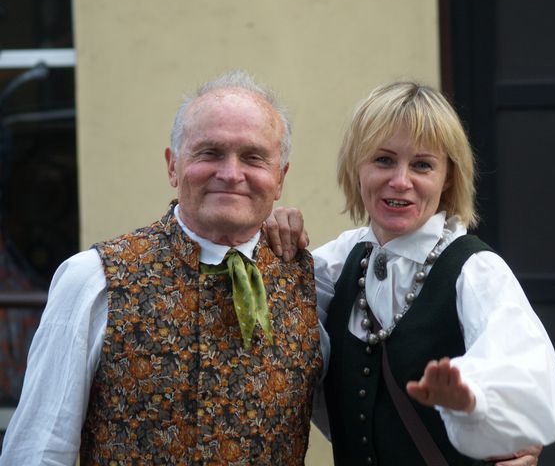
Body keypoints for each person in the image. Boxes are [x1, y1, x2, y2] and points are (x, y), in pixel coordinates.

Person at [0, 70, 324, 465]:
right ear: (173, 166)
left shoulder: (310, 282)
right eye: (210, 153)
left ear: (279, 178)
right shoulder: (93, 279)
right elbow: (40, 448)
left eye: (253, 157)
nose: (231, 173)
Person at [266, 81, 555, 465]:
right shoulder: (337, 263)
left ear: (448, 177)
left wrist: (475, 403)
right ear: (357, 166)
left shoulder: (476, 271)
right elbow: (266, 315)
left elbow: (526, 383)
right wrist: (266, 232)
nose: (401, 181)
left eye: (422, 165)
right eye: (383, 160)